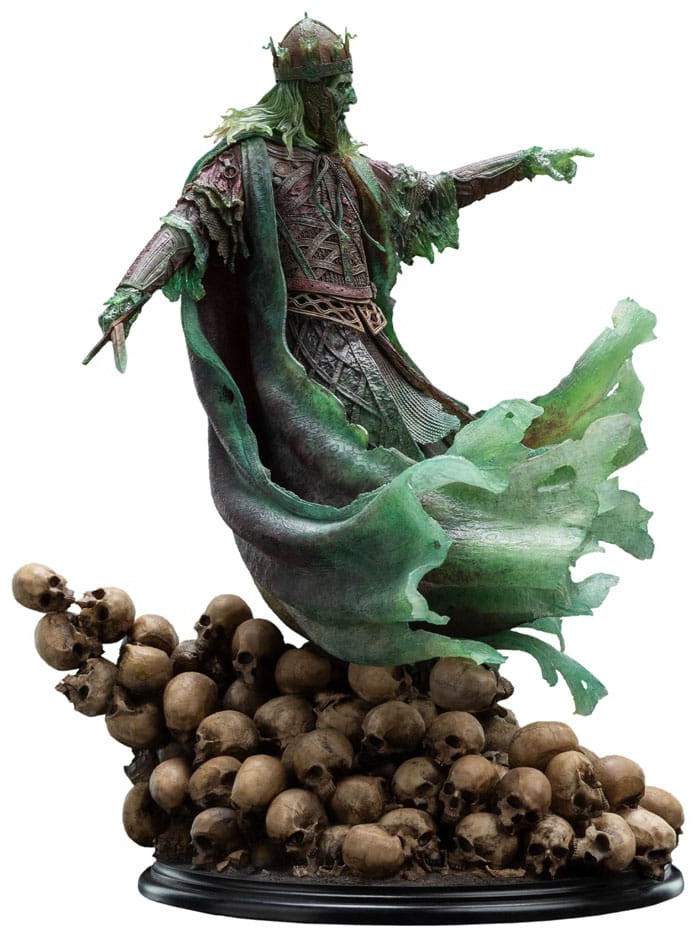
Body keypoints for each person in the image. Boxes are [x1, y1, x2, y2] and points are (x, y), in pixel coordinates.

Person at [96, 18, 654, 713]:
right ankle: (374, 607)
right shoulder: (248, 165)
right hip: (308, 357)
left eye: (348, 84)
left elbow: (438, 188)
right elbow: (187, 224)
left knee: (441, 451)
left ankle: (442, 594)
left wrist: (525, 161)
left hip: (374, 348)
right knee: (364, 478)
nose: (348, 100)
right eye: (336, 87)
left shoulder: (352, 171)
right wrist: (128, 295)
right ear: (301, 91)